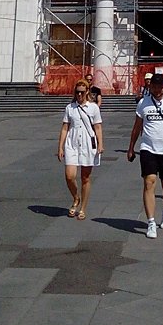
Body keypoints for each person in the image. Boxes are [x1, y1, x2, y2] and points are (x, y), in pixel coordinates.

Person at [127, 71, 163, 238]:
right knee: (149, 182)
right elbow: (137, 127)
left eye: (160, 86)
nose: (157, 89)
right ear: (149, 86)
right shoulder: (143, 103)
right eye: (154, 85)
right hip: (148, 148)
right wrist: (131, 147)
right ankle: (151, 222)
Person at [57, 79, 103, 221]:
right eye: (77, 92)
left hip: (88, 143)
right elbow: (65, 127)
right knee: (69, 176)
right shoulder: (70, 108)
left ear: (87, 92)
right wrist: (60, 146)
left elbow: (98, 127)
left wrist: (100, 144)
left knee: (85, 177)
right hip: (72, 142)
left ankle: (83, 207)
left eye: (82, 92)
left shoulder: (94, 107)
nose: (79, 95)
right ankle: (76, 198)